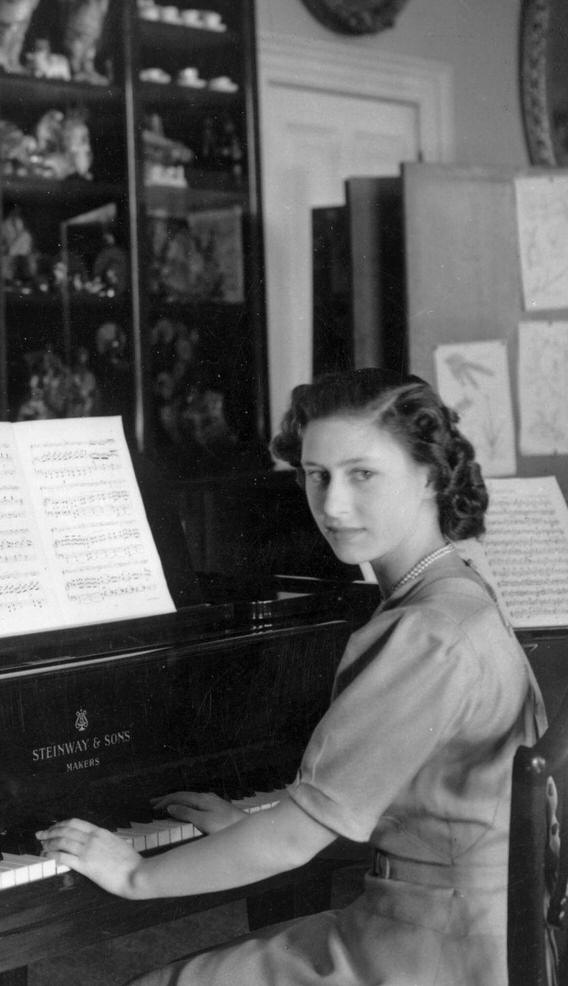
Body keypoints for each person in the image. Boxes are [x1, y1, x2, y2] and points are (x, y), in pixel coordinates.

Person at [37, 368, 545, 985]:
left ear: (430, 475)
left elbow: (292, 843)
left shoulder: (426, 632)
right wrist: (259, 826)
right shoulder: (457, 586)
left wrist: (134, 874)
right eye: (315, 474)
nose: (332, 505)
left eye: (363, 474)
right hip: (480, 931)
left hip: (435, 952)